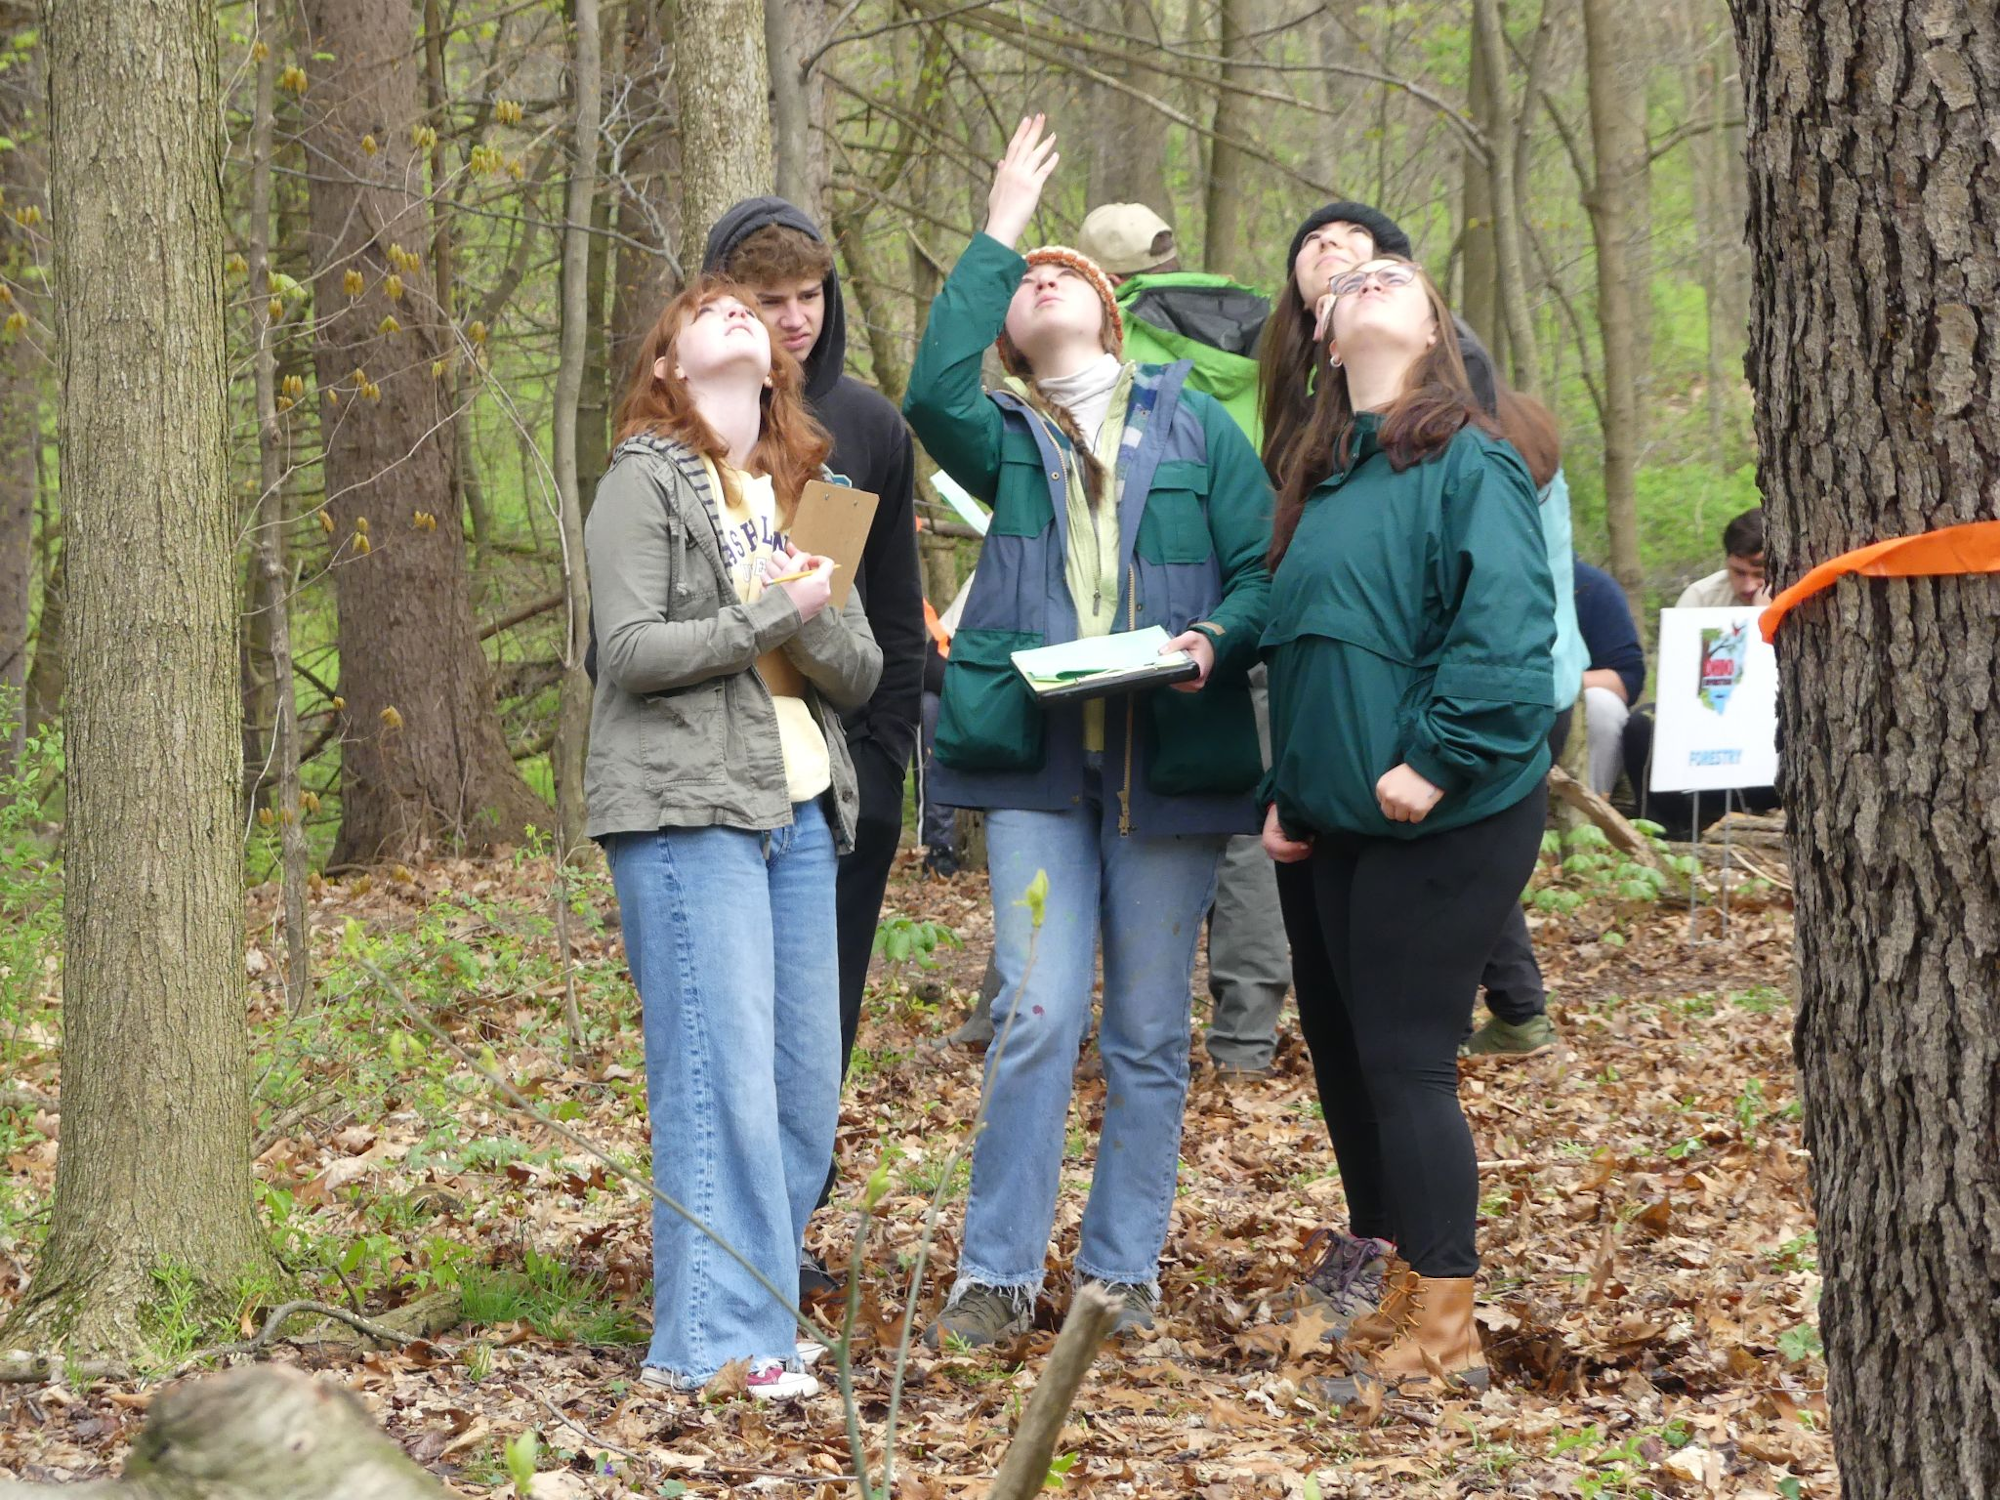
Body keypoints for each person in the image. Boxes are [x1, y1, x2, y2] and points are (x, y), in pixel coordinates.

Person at [904, 117, 1273, 1346]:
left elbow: (1259, 572)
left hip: (1170, 767)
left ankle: (1119, 1286)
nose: (1042, 279)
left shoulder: (1194, 425)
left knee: (1150, 1034)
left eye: (1068, 271)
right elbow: (925, 389)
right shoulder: (1000, 437)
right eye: (1027, 280)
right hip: (1034, 771)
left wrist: (1213, 642)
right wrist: (998, 226)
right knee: (1035, 1017)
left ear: (1110, 316)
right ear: (1009, 324)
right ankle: (995, 1277)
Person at [1260, 256, 1555, 1400]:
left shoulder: (1466, 460)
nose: (1368, 283)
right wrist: (1289, 786)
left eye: (1398, 278)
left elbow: (1504, 630)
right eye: (1350, 286)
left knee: (1403, 1061)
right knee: (1344, 1061)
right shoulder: (1322, 477)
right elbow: (1309, 655)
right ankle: (1381, 1286)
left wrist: (1433, 758)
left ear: (1433, 332)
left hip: (1450, 810)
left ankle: (1442, 1336)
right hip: (1332, 823)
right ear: (1325, 340)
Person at [585, 279, 884, 1402]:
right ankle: (712, 1342)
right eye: (700, 314)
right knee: (718, 1079)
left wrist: (806, 610)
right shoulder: (641, 478)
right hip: (680, 806)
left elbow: (855, 671)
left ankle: (756, 1316)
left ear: (777, 366)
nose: (733, 318)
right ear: (667, 367)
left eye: (748, 317)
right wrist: (773, 613)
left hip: (800, 807)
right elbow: (630, 652)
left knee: (801, 1087)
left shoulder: (808, 488)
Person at [701, 201, 926, 1297]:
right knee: (727, 1013)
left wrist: (884, 772)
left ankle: (787, 1233)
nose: (792, 321)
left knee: (816, 1022)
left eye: (808, 298)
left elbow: (895, 614)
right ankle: (725, 1240)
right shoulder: (683, 421)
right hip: (713, 769)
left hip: (840, 773)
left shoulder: (869, 426)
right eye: (767, 300)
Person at [1077, 202, 1288, 1081]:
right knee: (1242, 823)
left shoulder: (1129, 342)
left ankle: (1127, 1027)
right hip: (1253, 586)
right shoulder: (1262, 328)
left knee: (1118, 813)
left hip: (1152, 613)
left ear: (1105, 281)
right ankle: (1245, 1036)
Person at [1463, 388, 1578, 1059]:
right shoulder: (1531, 434)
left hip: (1505, 687)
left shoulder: (1481, 456)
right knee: (1486, 861)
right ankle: (1513, 1013)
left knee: (1472, 862)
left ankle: (1518, 1012)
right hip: (1551, 682)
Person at [1620, 507, 1779, 836]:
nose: (1748, 585)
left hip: (1774, 737)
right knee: (1642, 725)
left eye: (1758, 573)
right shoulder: (1702, 596)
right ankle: (1668, 835)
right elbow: (1679, 685)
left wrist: (1762, 618)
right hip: (1711, 728)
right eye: (1738, 572)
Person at [1572, 560, 1646, 794]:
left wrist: (1556, 682)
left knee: (1603, 705)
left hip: (1569, 708)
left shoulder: (1592, 587)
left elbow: (1627, 679)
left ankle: (1590, 810)